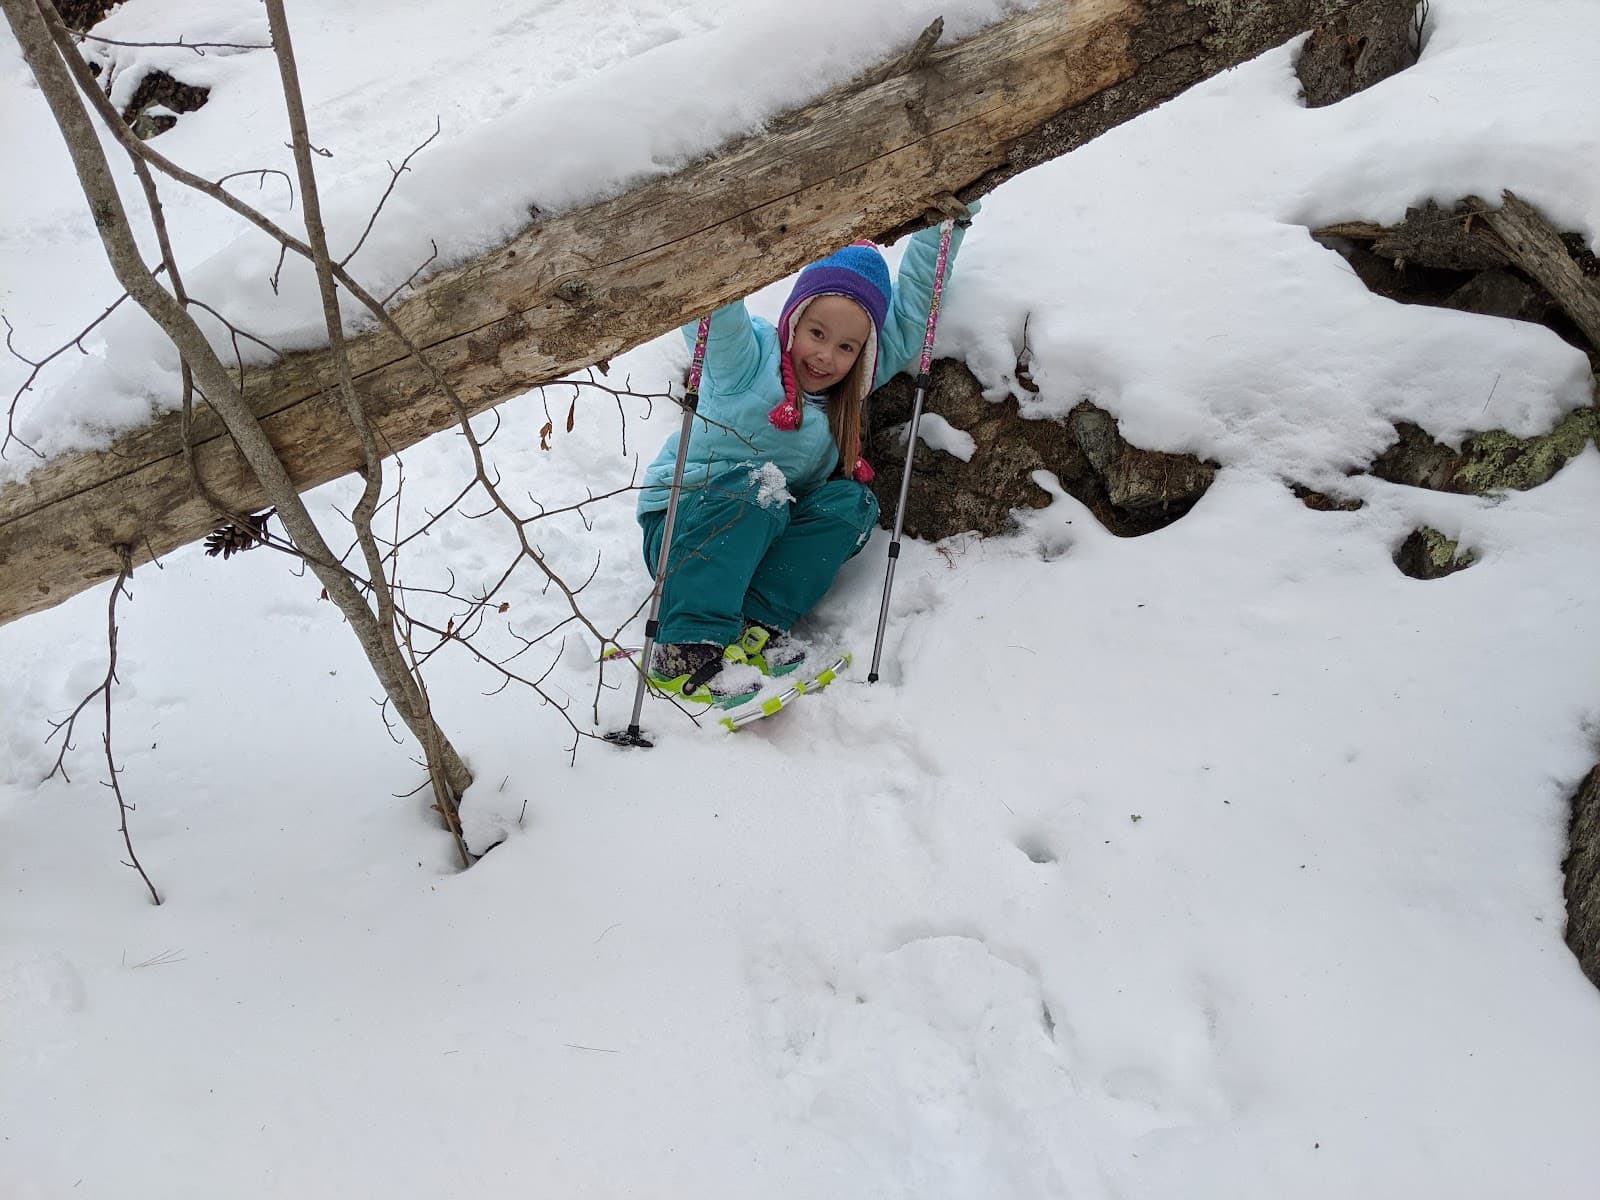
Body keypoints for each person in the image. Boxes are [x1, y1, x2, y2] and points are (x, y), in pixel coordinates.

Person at [635, 204, 977, 706]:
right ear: (794, 320)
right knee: (759, 485)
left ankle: (752, 623)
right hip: (682, 531)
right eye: (817, 333)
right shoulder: (746, 363)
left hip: (759, 530)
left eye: (846, 347)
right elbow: (714, 312)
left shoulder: (848, 392)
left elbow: (912, 310)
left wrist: (947, 219)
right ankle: (685, 645)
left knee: (852, 504)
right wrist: (710, 233)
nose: (826, 356)